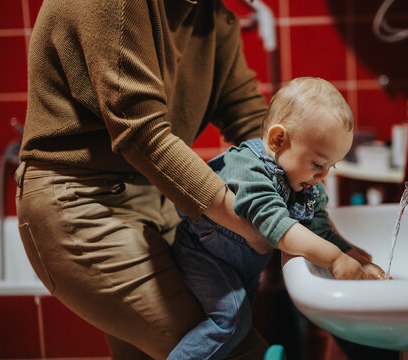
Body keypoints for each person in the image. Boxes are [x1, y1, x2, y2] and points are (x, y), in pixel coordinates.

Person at [16, 0, 276, 359]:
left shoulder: (213, 15)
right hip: (79, 201)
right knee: (234, 347)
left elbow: (253, 123)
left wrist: (316, 217)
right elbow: (143, 135)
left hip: (152, 197)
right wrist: (263, 224)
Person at [168, 77, 387, 360]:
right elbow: (278, 228)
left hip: (241, 265)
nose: (323, 177)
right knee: (230, 323)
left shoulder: (307, 186)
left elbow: (320, 229)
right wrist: (334, 259)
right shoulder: (249, 169)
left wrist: (357, 258)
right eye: (317, 164)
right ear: (278, 139)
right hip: (203, 256)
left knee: (240, 328)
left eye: (330, 166)